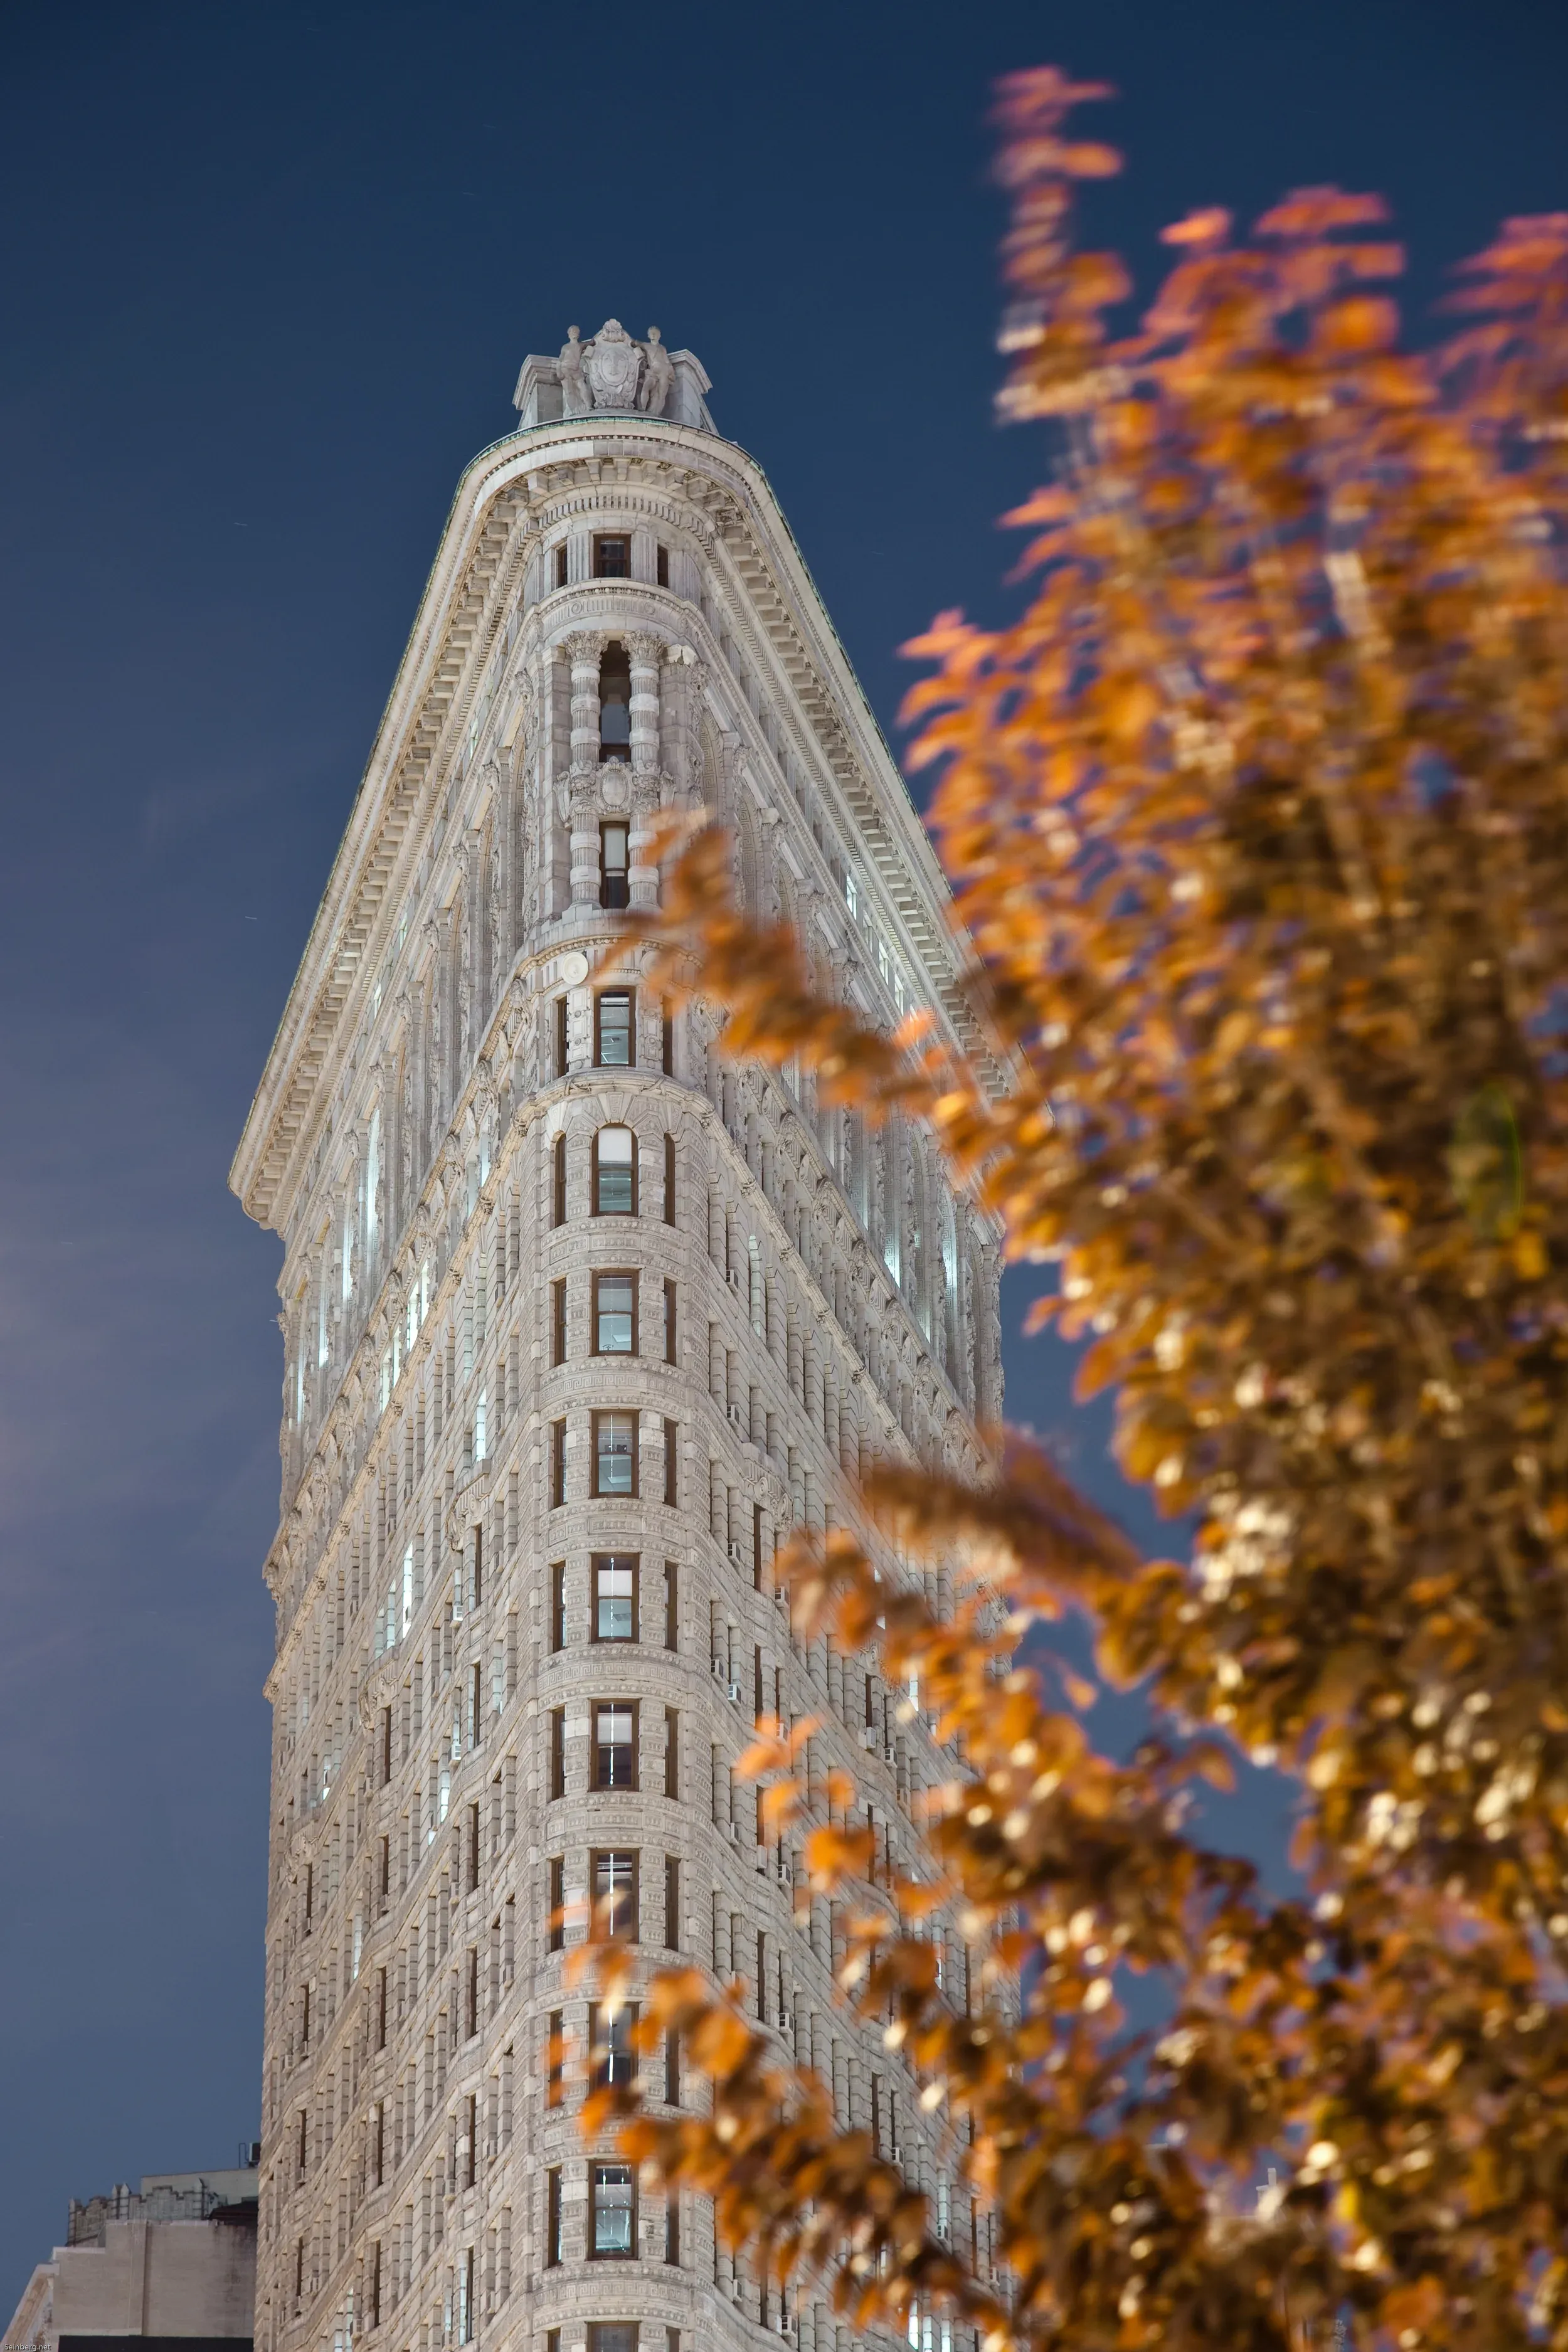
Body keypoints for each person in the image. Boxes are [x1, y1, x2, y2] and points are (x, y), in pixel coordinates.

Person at [640, 325, 674, 417]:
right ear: (648, 336)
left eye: (656, 333)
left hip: (664, 372)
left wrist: (671, 372)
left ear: (660, 336)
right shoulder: (646, 345)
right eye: (652, 334)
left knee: (661, 395)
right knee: (646, 387)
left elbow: (667, 361)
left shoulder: (663, 348)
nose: (654, 335)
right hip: (653, 372)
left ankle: (656, 413)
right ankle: (643, 409)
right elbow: (633, 343)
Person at [559, 324, 590, 414]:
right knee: (570, 391)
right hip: (566, 370)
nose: (575, 333)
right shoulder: (565, 347)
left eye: (577, 331)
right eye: (573, 331)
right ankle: (574, 410)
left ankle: (588, 406)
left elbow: (592, 343)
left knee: (583, 387)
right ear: (569, 334)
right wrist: (558, 372)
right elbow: (560, 361)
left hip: (576, 370)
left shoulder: (580, 345)